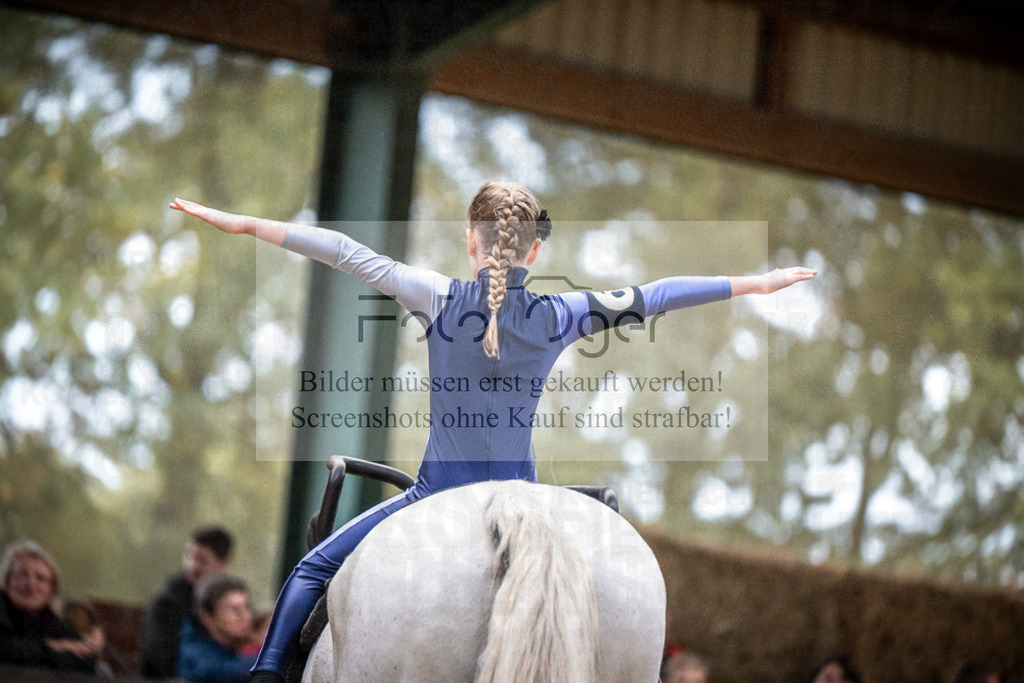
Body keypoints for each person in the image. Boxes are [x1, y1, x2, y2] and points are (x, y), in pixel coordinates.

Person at [170, 181, 816, 682]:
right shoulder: (565, 311)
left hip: (437, 490)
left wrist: (238, 223)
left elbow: (345, 251)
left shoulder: (437, 294)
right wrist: (753, 282)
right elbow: (657, 293)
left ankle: (265, 673)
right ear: (535, 251)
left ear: (472, 243)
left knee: (312, 569)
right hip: (522, 487)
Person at [138, 525, 234, 678]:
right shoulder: (166, 604)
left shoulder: (228, 602)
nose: (192, 566)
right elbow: (162, 660)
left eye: (202, 560)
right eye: (189, 556)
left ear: (224, 565)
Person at [0, 540, 98, 674]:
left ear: (52, 590)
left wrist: (39, 651)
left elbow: (86, 660)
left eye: (40, 578)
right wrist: (52, 647)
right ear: (7, 581)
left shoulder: (51, 621)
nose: (31, 584)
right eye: (22, 574)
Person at [176, 574, 258, 683]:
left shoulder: (234, 647)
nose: (245, 616)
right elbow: (219, 672)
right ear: (208, 618)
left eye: (247, 607)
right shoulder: (194, 652)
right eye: (235, 610)